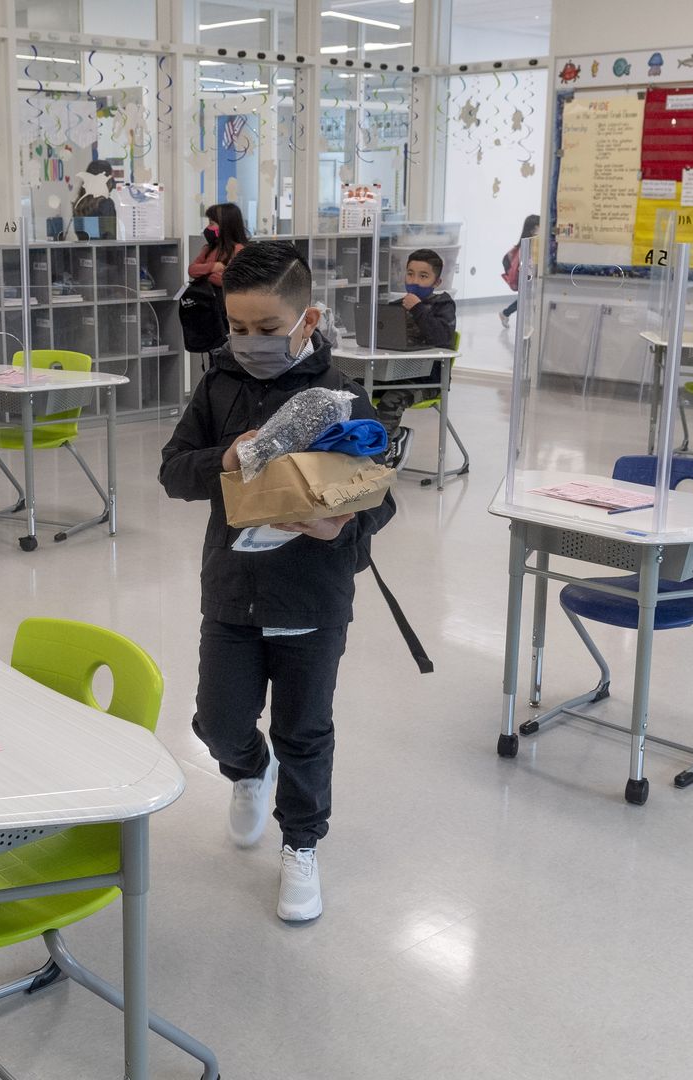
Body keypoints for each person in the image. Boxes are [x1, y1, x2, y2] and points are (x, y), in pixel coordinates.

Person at [158, 241, 397, 924]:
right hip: (232, 591)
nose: (250, 343)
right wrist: (225, 457)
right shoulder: (218, 386)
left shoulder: (345, 398)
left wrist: (337, 529)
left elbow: (378, 499)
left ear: (307, 319)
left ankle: (301, 844)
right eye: (238, 329)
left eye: (267, 330)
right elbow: (173, 471)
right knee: (218, 721)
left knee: (304, 729)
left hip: (311, 597)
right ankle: (246, 771)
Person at [372, 248, 458, 462]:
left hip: (429, 381)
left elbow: (442, 339)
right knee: (353, 388)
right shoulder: (395, 307)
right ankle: (383, 438)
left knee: (393, 399)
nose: (414, 280)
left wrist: (418, 309)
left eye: (423, 276)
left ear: (436, 282)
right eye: (410, 273)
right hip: (393, 374)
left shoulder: (443, 305)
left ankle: (379, 455)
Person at [189, 202, 250, 286]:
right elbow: (192, 270)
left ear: (225, 226)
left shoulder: (238, 250)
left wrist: (204, 275)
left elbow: (229, 280)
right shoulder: (208, 248)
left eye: (211, 223)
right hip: (206, 296)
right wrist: (213, 267)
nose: (208, 228)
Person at [500, 214, 542, 327]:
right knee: (525, 300)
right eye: (540, 226)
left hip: (530, 278)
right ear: (533, 229)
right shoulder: (527, 245)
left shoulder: (533, 243)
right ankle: (506, 313)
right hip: (527, 278)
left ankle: (505, 313)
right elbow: (525, 265)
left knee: (524, 300)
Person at [71, 160, 118, 240]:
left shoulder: (79, 204)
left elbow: (83, 235)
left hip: (84, 251)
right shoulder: (106, 204)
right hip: (101, 251)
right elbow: (109, 236)